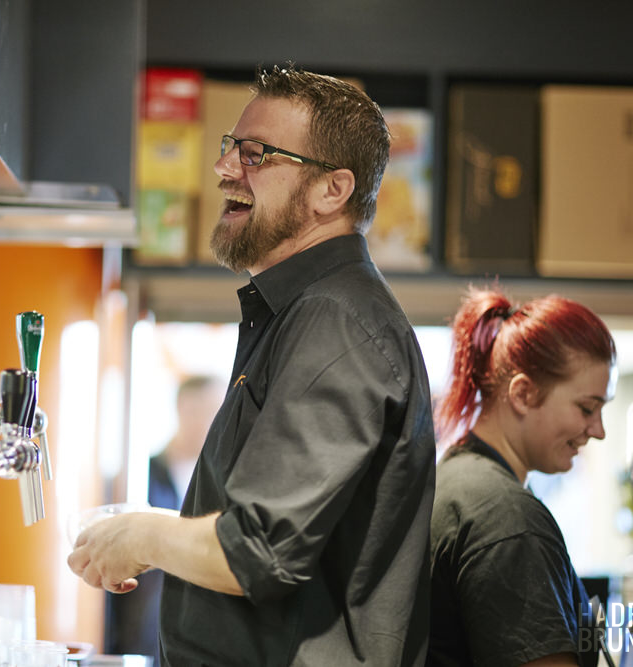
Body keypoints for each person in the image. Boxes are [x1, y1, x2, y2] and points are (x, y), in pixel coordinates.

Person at [68, 64, 436, 666]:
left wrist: (143, 535)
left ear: (331, 191)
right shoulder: (298, 314)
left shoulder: (336, 321)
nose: (224, 168)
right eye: (229, 148)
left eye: (256, 153)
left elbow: (261, 552)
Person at [427, 287, 617, 667]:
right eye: (586, 408)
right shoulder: (507, 520)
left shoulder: (458, 476)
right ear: (523, 394)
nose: (598, 430)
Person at [104, 375, 226, 663]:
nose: (211, 423)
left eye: (218, 413)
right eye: (203, 411)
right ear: (182, 408)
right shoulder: (139, 476)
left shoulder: (228, 485)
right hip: (141, 637)